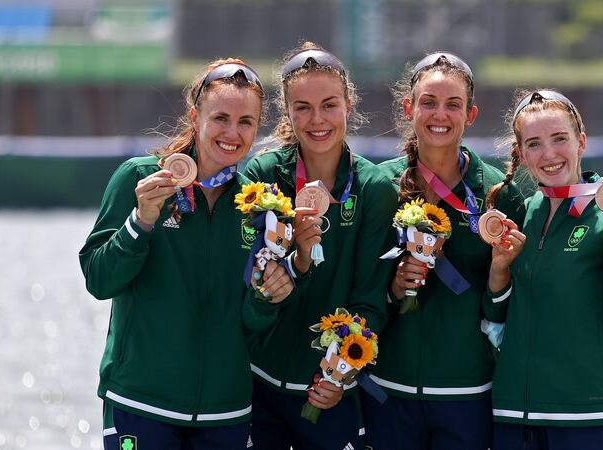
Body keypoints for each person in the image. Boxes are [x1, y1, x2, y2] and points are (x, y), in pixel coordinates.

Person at [79, 58, 293, 450]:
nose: (232, 133)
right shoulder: (139, 178)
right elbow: (98, 279)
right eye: (220, 118)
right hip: (141, 403)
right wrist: (140, 222)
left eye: (246, 122)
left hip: (225, 412)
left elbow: (250, 322)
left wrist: (267, 297)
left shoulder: (260, 205)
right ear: (195, 117)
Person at [362, 52, 525, 450]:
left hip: (467, 395)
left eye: (453, 104)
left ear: (470, 115)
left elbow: (514, 306)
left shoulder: (499, 193)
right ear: (408, 108)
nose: (440, 114)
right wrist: (393, 286)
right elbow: (360, 288)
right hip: (388, 393)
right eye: (429, 102)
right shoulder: (378, 186)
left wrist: (499, 273)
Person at [484, 89, 603, 450]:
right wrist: (498, 272)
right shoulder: (520, 213)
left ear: (581, 141)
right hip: (512, 421)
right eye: (534, 144)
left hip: (587, 422)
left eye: (560, 138)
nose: (549, 154)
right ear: (520, 154)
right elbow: (500, 321)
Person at [243, 42, 398, 450]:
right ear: (287, 112)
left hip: (328, 394)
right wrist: (297, 259)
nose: (317, 120)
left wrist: (341, 374)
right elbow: (251, 282)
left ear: (349, 103)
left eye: (329, 105)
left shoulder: (374, 188)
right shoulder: (265, 173)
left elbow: (370, 299)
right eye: (303, 108)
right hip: (259, 386)